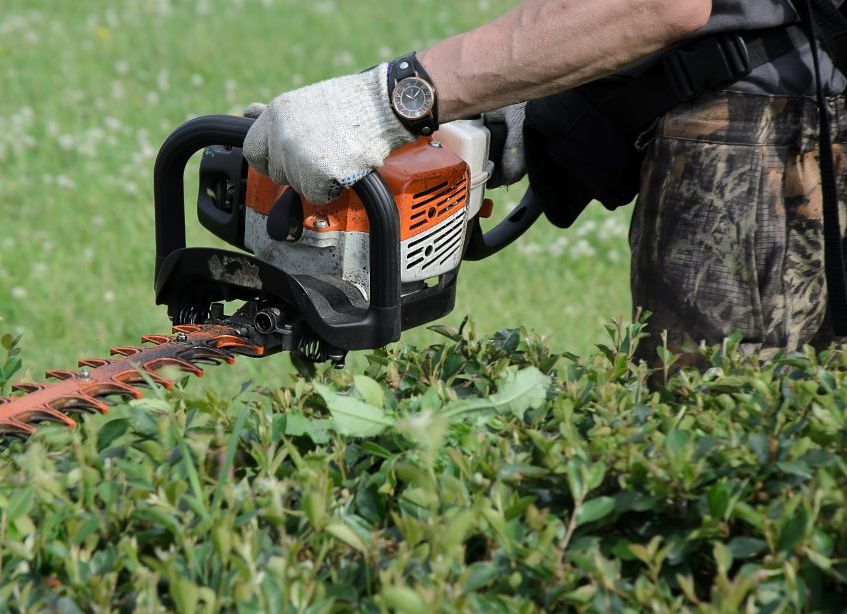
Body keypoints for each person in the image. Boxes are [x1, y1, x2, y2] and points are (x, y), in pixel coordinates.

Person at [244, 0, 847, 369]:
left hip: (762, 141)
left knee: (712, 444)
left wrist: (399, 98)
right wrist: (533, 102)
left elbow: (664, 2)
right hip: (802, 101)